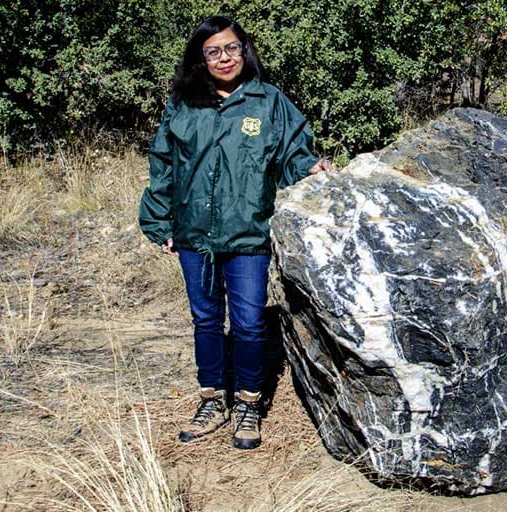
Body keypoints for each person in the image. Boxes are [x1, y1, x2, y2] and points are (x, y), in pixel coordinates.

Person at [138, 15, 335, 450]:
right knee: (206, 321)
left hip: (248, 236)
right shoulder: (184, 103)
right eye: (213, 52)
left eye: (231, 48)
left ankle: (248, 404)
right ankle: (212, 399)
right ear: (200, 59)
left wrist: (311, 168)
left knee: (247, 325)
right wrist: (159, 221)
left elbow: (292, 155)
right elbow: (163, 164)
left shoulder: (269, 102)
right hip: (194, 236)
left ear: (244, 50)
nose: (224, 58)